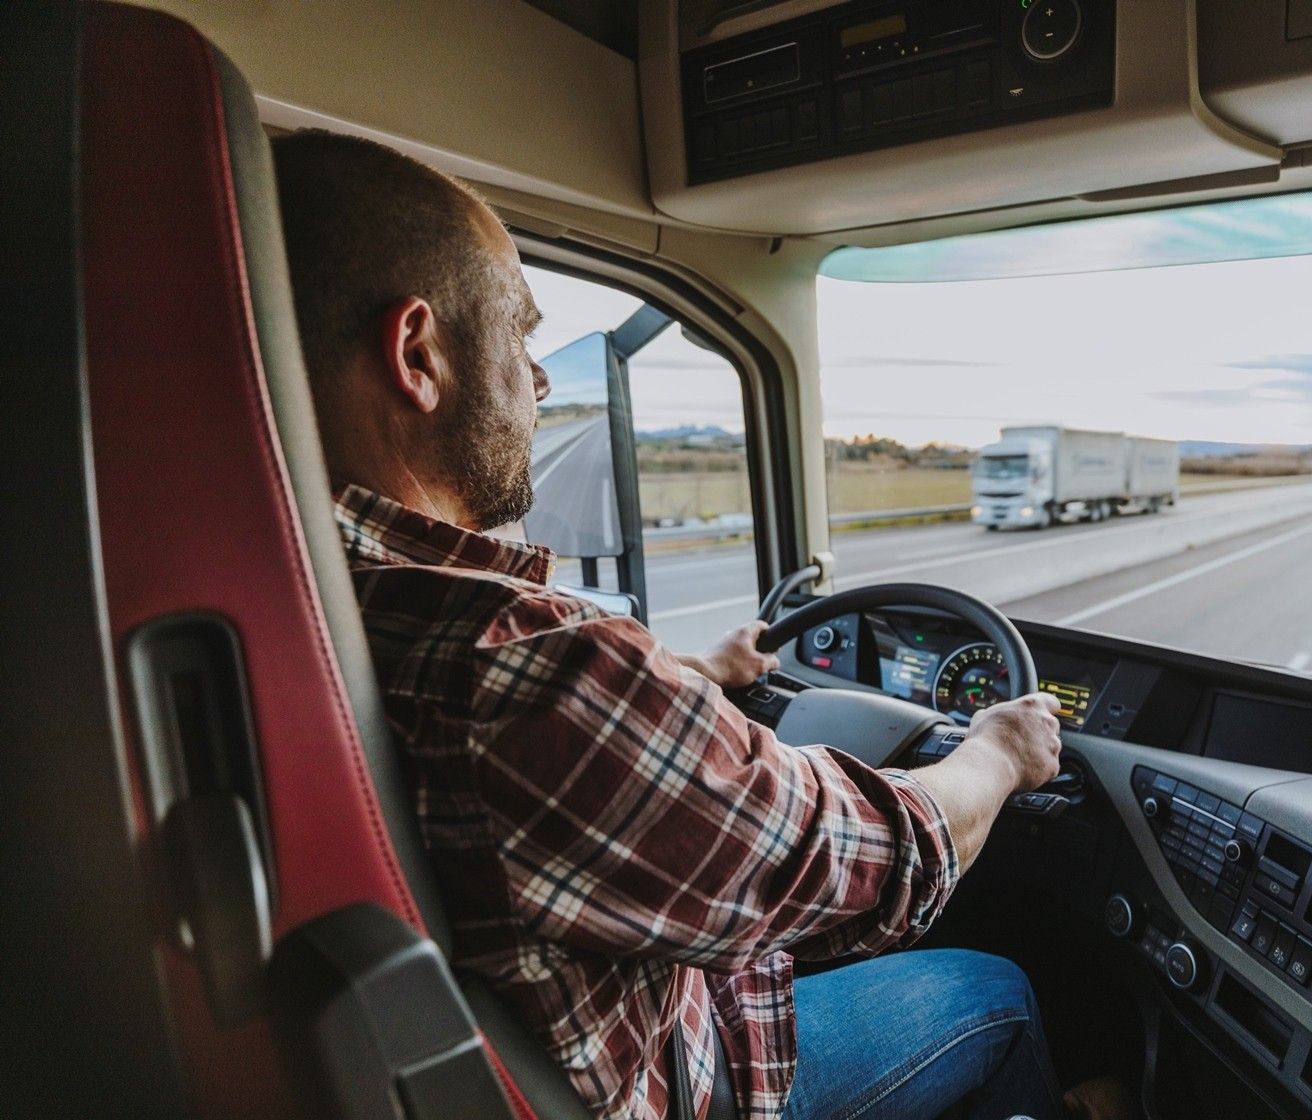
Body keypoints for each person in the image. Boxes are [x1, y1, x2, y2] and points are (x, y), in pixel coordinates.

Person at [272, 128, 1098, 1120]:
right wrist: (1001, 750)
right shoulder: (523, 665)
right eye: (521, 338)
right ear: (418, 354)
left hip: (625, 1007)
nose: (538, 384)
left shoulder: (314, 598)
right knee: (995, 990)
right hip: (690, 1078)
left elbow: (570, 763)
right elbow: (884, 857)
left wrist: (690, 676)